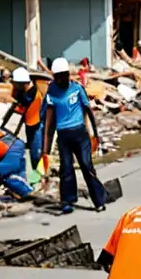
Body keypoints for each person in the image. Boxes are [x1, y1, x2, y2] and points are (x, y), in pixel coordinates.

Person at [42, 58, 108, 214]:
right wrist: (46, 147)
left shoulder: (77, 89)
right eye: (57, 76)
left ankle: (99, 199)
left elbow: (88, 111)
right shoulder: (51, 92)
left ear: (67, 75)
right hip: (63, 135)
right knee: (66, 168)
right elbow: (48, 120)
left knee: (86, 165)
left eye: (63, 75)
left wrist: (95, 135)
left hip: (80, 134)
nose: (60, 79)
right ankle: (67, 201)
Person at [4, 67, 47, 169]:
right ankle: (36, 175)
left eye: (15, 84)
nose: (13, 86)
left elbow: (20, 106)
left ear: (23, 83)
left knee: (36, 154)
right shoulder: (25, 91)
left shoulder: (32, 94)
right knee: (32, 152)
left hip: (36, 125)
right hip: (30, 124)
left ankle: (41, 176)